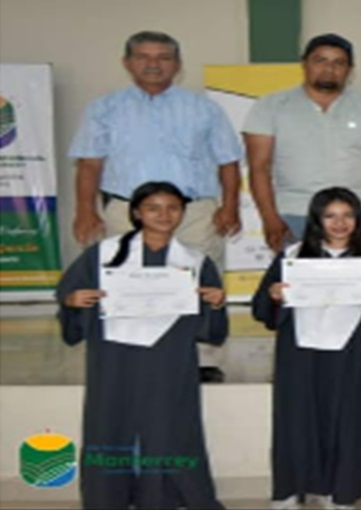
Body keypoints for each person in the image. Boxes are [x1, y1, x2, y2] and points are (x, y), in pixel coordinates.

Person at [68, 30, 242, 383]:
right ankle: (127, 353)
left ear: (177, 64)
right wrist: (85, 210)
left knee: (197, 279)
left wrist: (230, 207)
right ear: (127, 62)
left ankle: (202, 359)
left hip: (193, 213)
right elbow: (89, 164)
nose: (154, 64)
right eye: (144, 57)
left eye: (163, 57)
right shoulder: (104, 109)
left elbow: (228, 162)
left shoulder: (204, 108)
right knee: (125, 279)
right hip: (125, 212)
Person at [56, 181, 227, 509]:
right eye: (153, 208)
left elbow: (210, 327)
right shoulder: (103, 254)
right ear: (136, 213)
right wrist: (72, 301)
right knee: (110, 423)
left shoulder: (195, 261)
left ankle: (164, 496)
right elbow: (70, 294)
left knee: (170, 424)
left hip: (169, 354)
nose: (164, 215)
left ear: (183, 213)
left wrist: (216, 303)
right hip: (114, 355)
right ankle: (108, 499)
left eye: (173, 208)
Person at [252, 188, 361, 510]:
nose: (339, 223)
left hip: (353, 350)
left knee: (349, 419)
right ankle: (292, 487)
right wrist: (274, 295)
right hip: (300, 350)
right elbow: (261, 310)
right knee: (297, 419)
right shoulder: (291, 256)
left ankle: (342, 490)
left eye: (347, 215)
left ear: (358, 219)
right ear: (316, 220)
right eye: (330, 216)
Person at [244, 33, 361, 252]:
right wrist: (269, 217)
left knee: (359, 274)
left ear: (350, 69)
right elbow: (259, 166)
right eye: (320, 60)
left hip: (357, 216)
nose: (329, 68)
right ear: (304, 63)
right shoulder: (270, 106)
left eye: (339, 63)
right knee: (296, 274)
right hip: (293, 215)